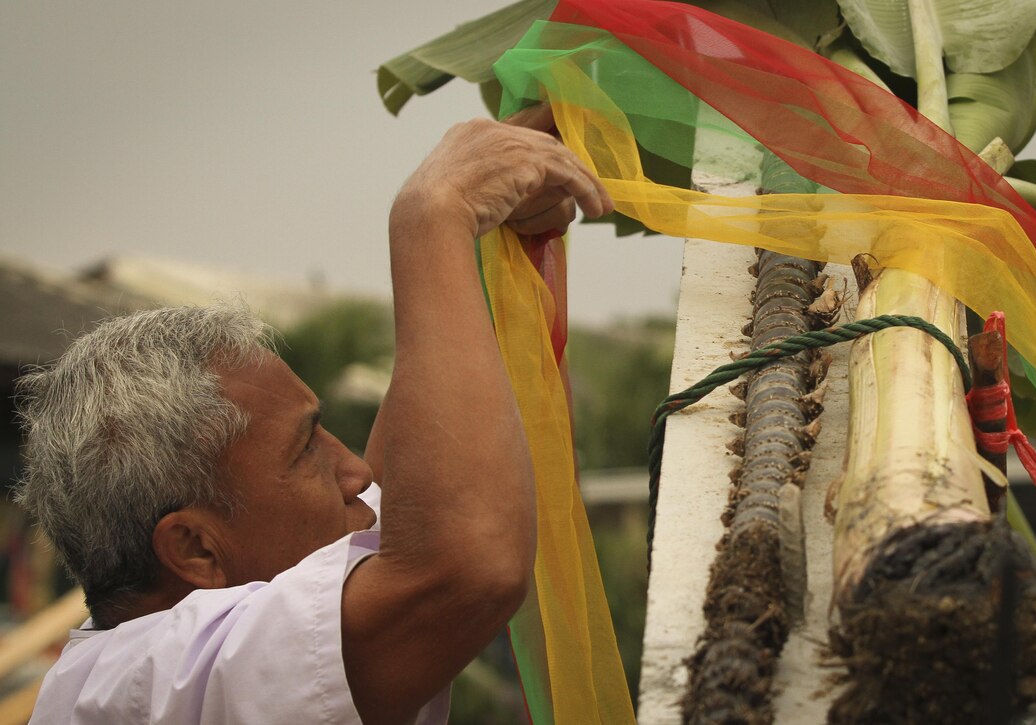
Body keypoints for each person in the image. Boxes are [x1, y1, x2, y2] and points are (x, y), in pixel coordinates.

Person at [15, 105, 613, 724]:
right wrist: (432, 216)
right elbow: (465, 563)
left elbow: (441, 495)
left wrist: (489, 221)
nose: (355, 470)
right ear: (195, 548)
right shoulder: (149, 683)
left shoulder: (254, 573)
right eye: (306, 451)